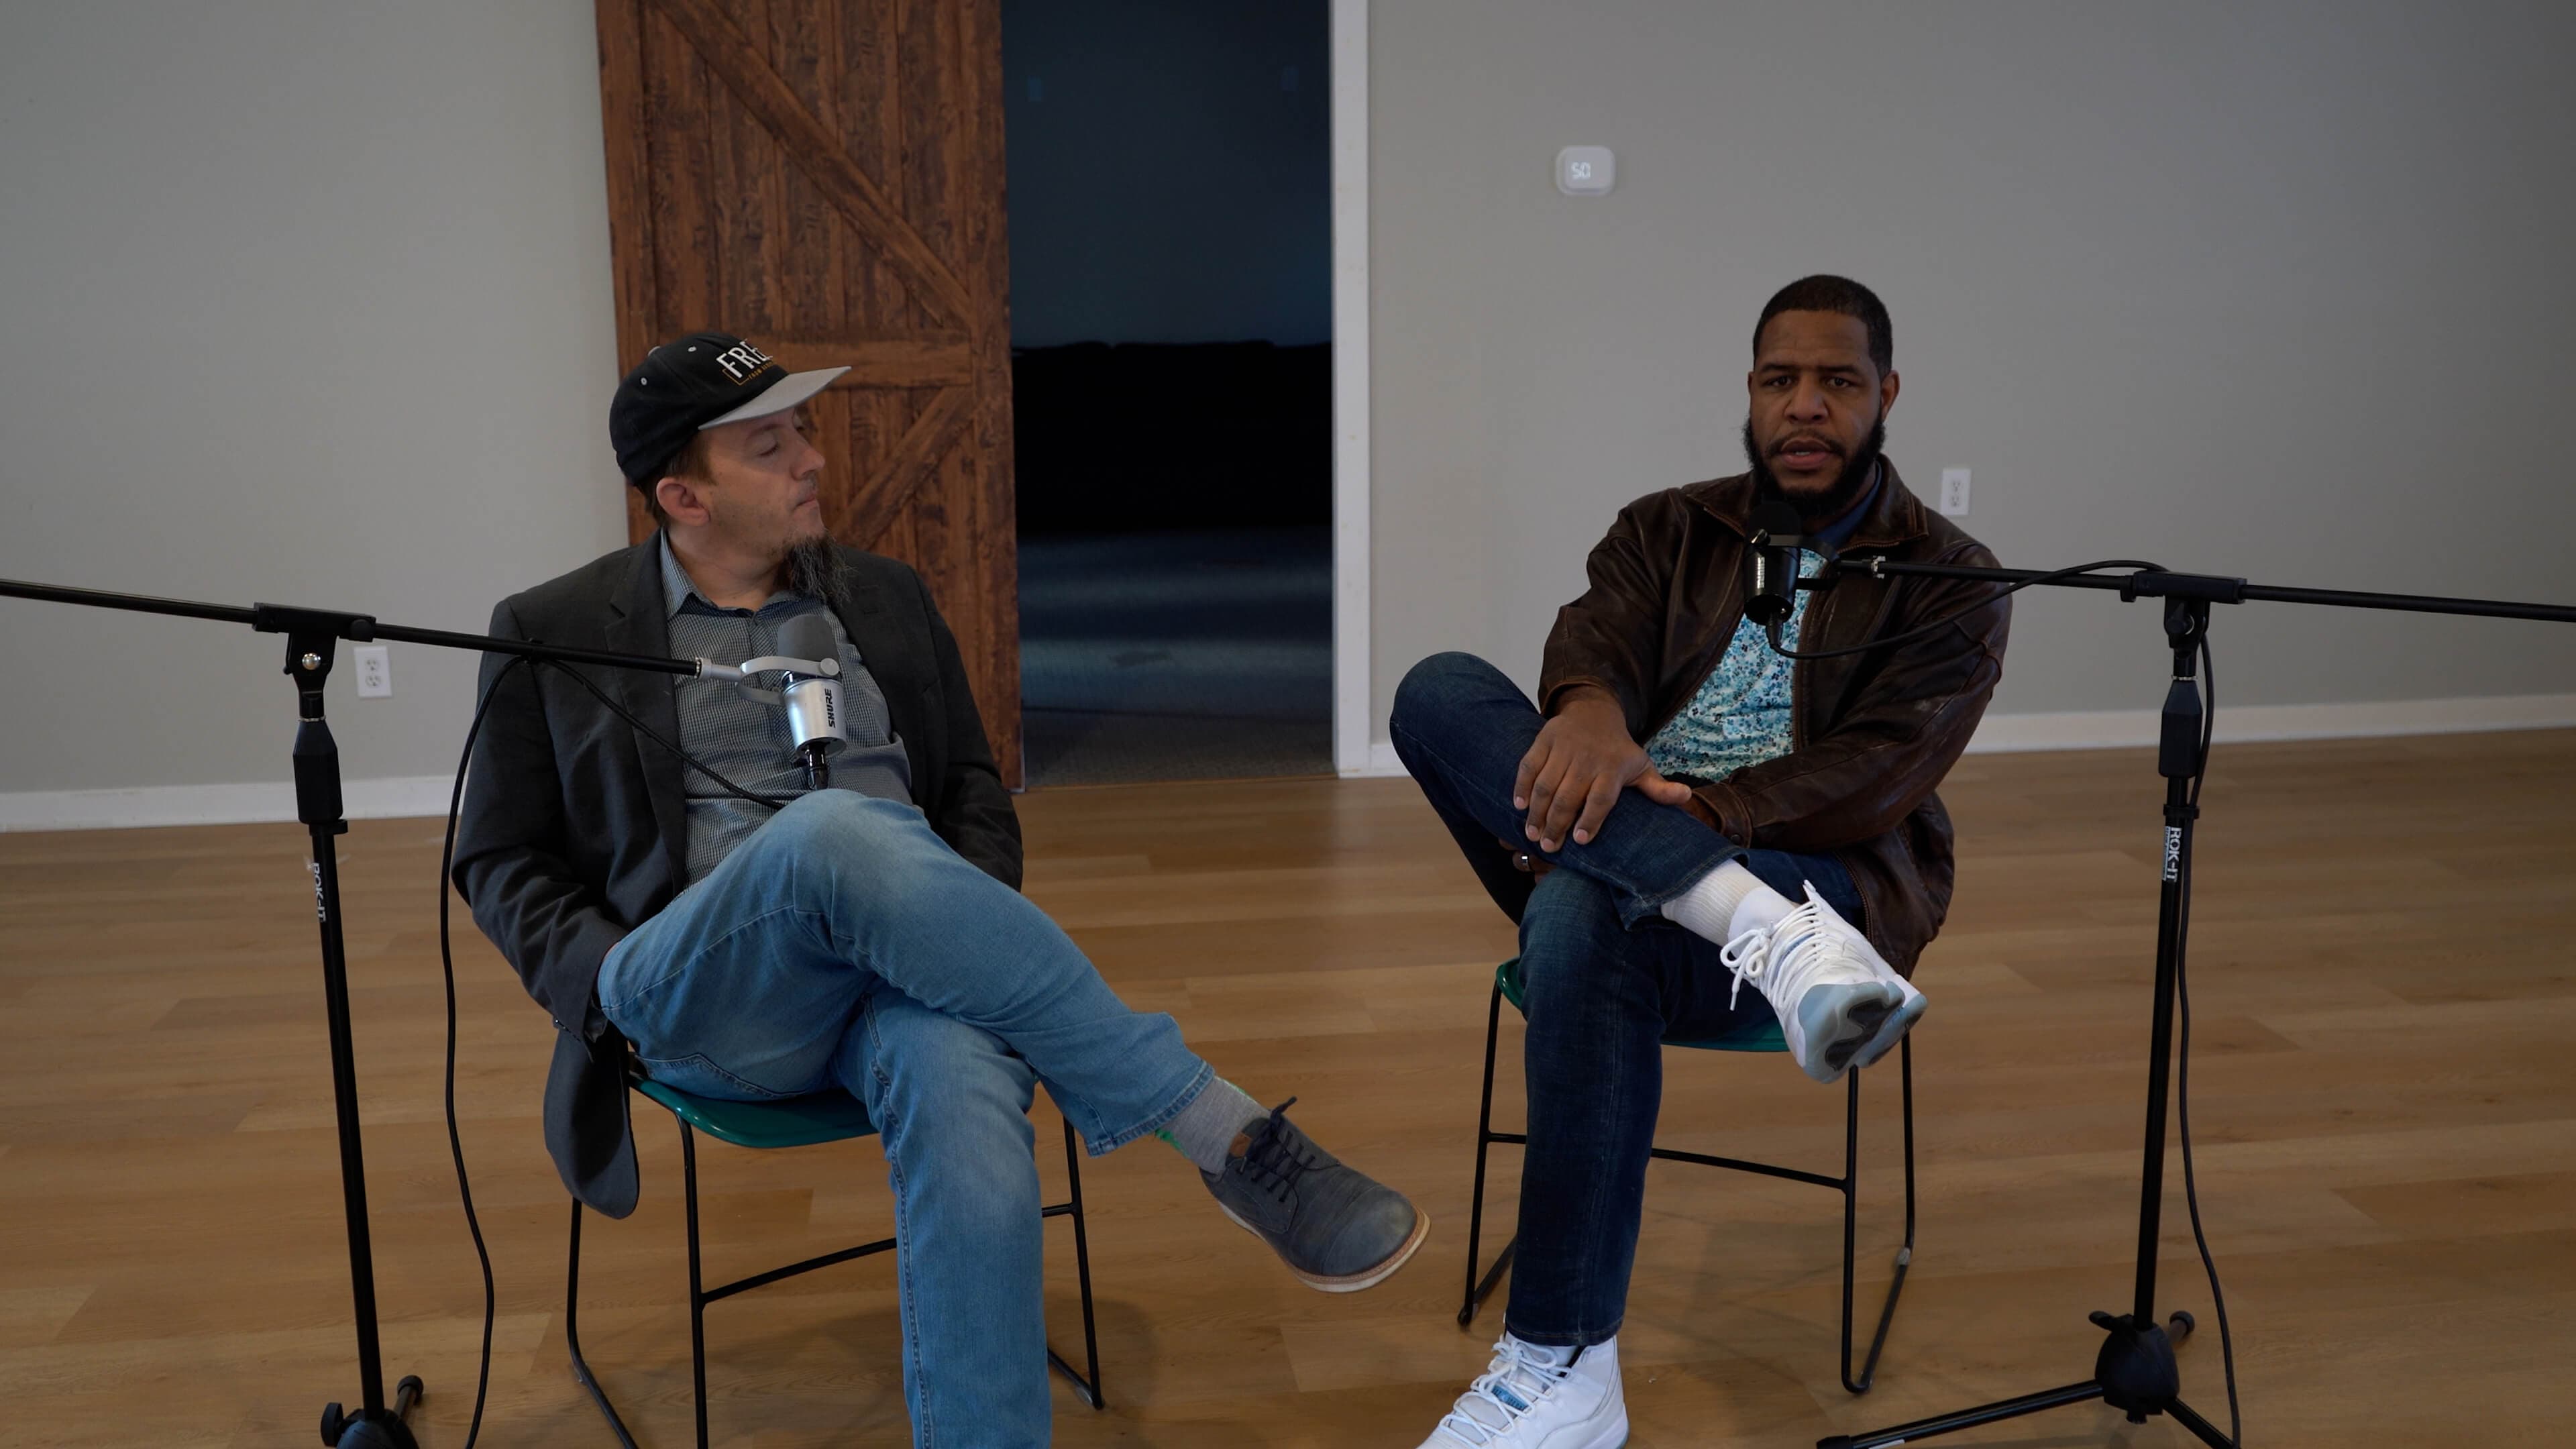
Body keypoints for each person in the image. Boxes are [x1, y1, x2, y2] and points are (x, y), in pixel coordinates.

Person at [451, 331, 1426, 1448]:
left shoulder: (883, 595)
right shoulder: (558, 629)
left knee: (959, 1072)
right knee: (828, 834)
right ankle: (1225, 1136)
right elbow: (497, 860)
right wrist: (602, 987)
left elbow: (969, 788)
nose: (812, 460)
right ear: (683, 495)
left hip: (888, 977)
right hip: (703, 987)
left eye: (805, 432)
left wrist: (953, 938)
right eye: (770, 448)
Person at [1390, 277, 2010, 1447]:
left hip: (1824, 880)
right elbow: (1597, 644)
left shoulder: (1950, 579)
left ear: (1886, 393)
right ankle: (1759, 935)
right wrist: (1581, 711)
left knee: (1583, 912)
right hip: (1702, 887)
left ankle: (1562, 1365)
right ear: (1751, 391)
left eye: (1837, 382)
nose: (1806, 407)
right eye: (1782, 380)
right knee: (1436, 691)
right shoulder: (1668, 526)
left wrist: (1704, 813)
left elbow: (1880, 773)